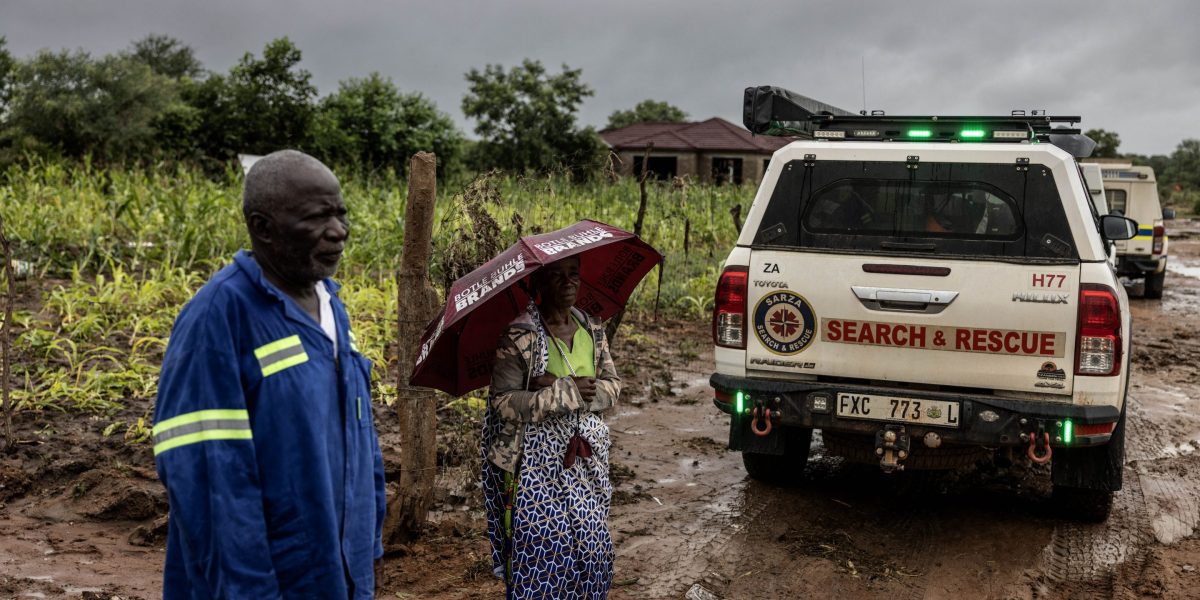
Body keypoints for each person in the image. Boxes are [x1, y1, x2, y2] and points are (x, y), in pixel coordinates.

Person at [152, 150, 386, 598]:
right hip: (263, 579)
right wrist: (249, 588)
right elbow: (207, 477)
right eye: (318, 218)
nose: (339, 232)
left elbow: (361, 436)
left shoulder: (331, 306)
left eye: (340, 214)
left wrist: (366, 547)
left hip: (337, 571)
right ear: (263, 228)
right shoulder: (218, 316)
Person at [481, 255, 622, 599]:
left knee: (593, 549)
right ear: (538, 285)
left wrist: (582, 393)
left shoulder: (592, 328)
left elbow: (612, 385)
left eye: (573, 275)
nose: (568, 283)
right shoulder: (521, 337)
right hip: (535, 467)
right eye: (557, 277)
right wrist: (558, 393)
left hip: (586, 462)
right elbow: (502, 401)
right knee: (546, 550)